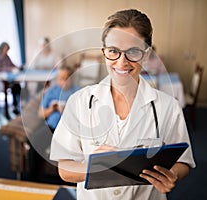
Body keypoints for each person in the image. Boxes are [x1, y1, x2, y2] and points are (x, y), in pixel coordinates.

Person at [50, 9, 196, 200]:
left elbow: (183, 162)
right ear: (104, 53)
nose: (122, 62)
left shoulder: (168, 107)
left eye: (133, 52)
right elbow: (65, 168)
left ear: (146, 54)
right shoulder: (79, 102)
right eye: (113, 51)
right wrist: (95, 167)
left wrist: (172, 175)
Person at [38, 65, 79, 133]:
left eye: (65, 78)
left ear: (72, 78)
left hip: (69, 128)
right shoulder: (51, 91)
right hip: (51, 126)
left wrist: (65, 110)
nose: (63, 82)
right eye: (60, 79)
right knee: (35, 139)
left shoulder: (78, 91)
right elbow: (40, 114)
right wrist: (52, 109)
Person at [0, 42, 21, 114]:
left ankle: (15, 105)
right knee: (12, 86)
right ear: (2, 48)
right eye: (6, 49)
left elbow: (12, 64)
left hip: (8, 79)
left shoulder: (7, 57)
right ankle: (8, 109)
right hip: (0, 81)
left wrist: (17, 67)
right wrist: (9, 69)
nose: (7, 50)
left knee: (17, 86)